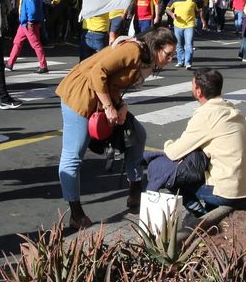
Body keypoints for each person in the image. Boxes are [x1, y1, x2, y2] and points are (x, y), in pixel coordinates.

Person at [54, 27, 176, 228]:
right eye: (168, 54)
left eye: (173, 55)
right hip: (80, 94)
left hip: (101, 96)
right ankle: (76, 213)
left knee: (137, 134)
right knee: (73, 156)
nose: (170, 59)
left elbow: (112, 82)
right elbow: (97, 72)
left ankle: (135, 191)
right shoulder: (133, 50)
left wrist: (121, 106)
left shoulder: (146, 59)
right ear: (156, 47)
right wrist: (110, 107)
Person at [144, 68, 246, 214]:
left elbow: (173, 153)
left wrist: (168, 144)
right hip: (245, 187)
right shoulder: (230, 108)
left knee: (168, 174)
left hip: (226, 193)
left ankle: (200, 215)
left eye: (192, 85)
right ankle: (210, 210)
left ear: (199, 91)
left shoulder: (206, 115)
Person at [6, 0, 48, 73]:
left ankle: (43, 66)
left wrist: (30, 21)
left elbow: (31, 8)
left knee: (35, 44)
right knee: (17, 42)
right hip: (25, 23)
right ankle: (10, 63)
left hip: (29, 23)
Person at [166, 0, 201, 69]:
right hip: (177, 25)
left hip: (189, 25)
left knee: (188, 44)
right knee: (179, 44)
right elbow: (167, 8)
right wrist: (172, 14)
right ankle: (181, 61)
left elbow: (199, 9)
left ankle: (188, 63)